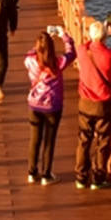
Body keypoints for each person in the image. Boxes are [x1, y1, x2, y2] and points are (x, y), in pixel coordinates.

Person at [74, 18, 111, 188]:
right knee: (102, 141)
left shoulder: (82, 50)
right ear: (104, 38)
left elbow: (87, 44)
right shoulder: (109, 56)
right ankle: (98, 178)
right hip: (102, 104)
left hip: (85, 103)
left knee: (84, 140)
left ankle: (81, 177)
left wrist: (94, 36)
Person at [24, 25, 75, 184]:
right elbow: (72, 53)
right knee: (49, 140)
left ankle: (32, 172)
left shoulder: (30, 61)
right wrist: (63, 36)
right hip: (53, 106)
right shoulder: (58, 62)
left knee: (35, 139)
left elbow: (31, 53)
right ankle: (46, 174)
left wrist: (42, 43)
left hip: (34, 104)